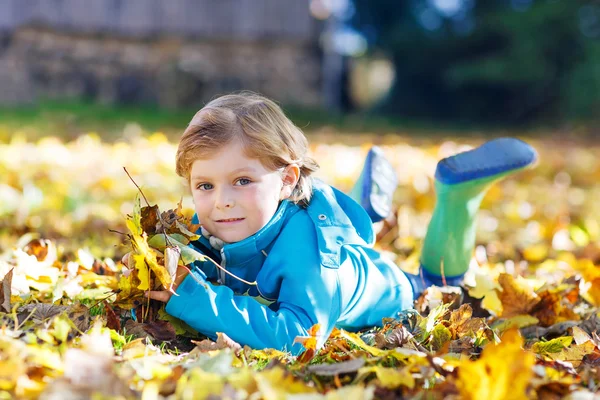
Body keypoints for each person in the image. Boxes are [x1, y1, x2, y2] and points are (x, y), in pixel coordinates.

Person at [139, 92, 537, 354]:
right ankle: (370, 203)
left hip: (386, 290)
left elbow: (299, 338)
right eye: (204, 185)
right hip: (333, 269)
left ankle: (457, 195)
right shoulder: (212, 221)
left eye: (242, 181)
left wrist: (195, 299)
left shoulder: (305, 250)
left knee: (437, 286)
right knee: (350, 234)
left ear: (287, 179)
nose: (221, 200)